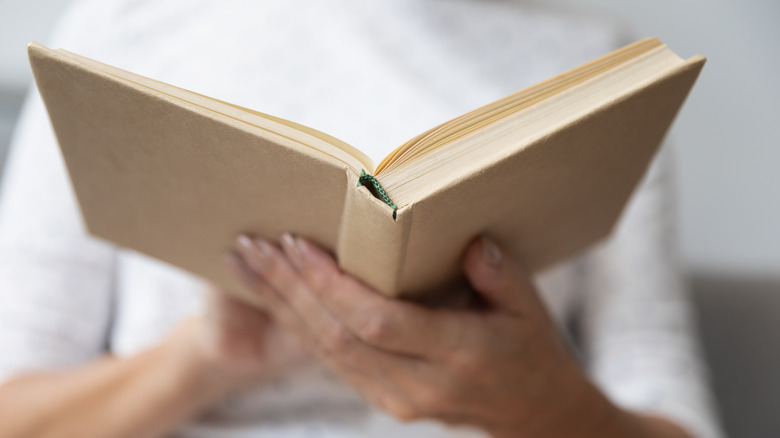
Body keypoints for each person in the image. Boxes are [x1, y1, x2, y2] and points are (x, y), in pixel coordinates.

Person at [0, 0, 725, 437]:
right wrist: (204, 362)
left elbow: (675, 407)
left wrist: (548, 405)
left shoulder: (595, 69)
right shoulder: (117, 34)